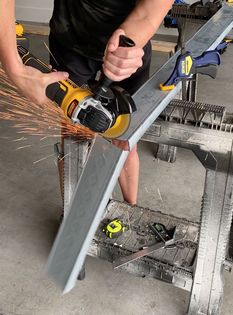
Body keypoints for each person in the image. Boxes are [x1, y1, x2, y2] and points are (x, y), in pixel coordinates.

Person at [0, 0, 174, 205]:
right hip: (69, 39)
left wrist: (130, 41)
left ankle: (130, 209)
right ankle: (71, 213)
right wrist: (14, 68)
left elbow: (148, 13)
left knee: (125, 140)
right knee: (72, 137)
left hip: (129, 47)